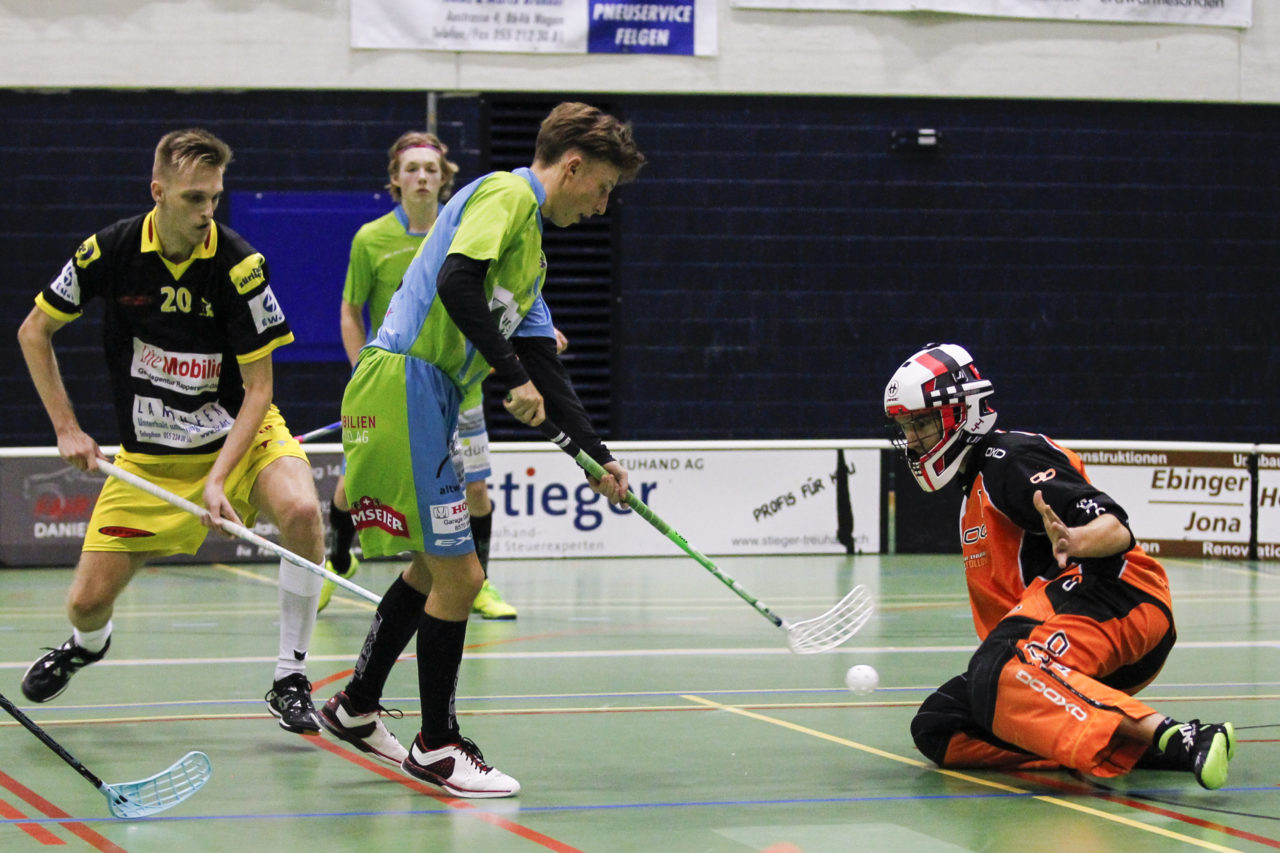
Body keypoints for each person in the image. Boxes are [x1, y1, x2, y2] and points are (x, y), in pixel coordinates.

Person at [317, 102, 645, 798]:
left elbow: (543, 361)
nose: (602, 205)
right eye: (603, 187)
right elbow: (455, 281)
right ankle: (437, 745)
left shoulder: (530, 254)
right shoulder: (507, 194)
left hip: (427, 393)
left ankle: (355, 705)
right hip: (406, 382)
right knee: (460, 576)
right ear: (573, 167)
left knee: (431, 569)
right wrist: (512, 375)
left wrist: (596, 457)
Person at [16, 129, 326, 734]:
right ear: (158, 192)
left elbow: (260, 390)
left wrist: (219, 478)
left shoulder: (239, 266)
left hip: (239, 439)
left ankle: (290, 676)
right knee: (85, 605)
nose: (207, 211)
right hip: (150, 458)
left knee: (302, 512)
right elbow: (34, 331)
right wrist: (67, 428)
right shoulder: (110, 250)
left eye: (214, 197)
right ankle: (88, 646)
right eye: (193, 198)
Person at [883, 343, 1237, 789]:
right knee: (941, 725)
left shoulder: (1010, 459)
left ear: (962, 412)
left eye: (921, 424)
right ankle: (1123, 746)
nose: (913, 439)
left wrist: (1075, 540)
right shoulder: (973, 486)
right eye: (906, 427)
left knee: (997, 665)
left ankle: (1179, 735)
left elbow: (1115, 529)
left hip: (1120, 598)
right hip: (1056, 644)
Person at [320, 131, 559, 620]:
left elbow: (498, 296)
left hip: (460, 388)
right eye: (412, 169)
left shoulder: (468, 222)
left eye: (431, 169)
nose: (422, 177)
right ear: (395, 179)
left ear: (444, 177)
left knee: (475, 490)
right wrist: (360, 369)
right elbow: (350, 310)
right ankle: (338, 561)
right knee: (351, 485)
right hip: (395, 383)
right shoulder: (371, 239)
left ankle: (479, 582)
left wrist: (535, 335)